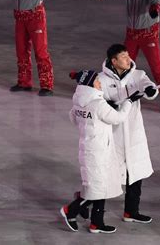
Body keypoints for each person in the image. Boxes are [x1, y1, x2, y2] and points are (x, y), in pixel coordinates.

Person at [60, 70, 144, 234]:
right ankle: (71, 210)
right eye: (97, 81)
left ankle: (96, 223)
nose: (99, 84)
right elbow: (118, 118)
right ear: (90, 85)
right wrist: (128, 101)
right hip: (99, 151)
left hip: (87, 149)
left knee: (99, 186)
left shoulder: (78, 101)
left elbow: (73, 118)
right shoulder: (98, 104)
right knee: (98, 188)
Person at [98, 44, 158, 224]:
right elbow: (97, 100)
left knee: (135, 173)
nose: (128, 59)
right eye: (123, 57)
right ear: (113, 61)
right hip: (113, 133)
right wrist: (109, 104)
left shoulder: (137, 75)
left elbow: (149, 86)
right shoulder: (101, 79)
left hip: (133, 132)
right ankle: (91, 209)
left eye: (127, 55)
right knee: (106, 174)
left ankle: (131, 211)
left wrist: (150, 90)